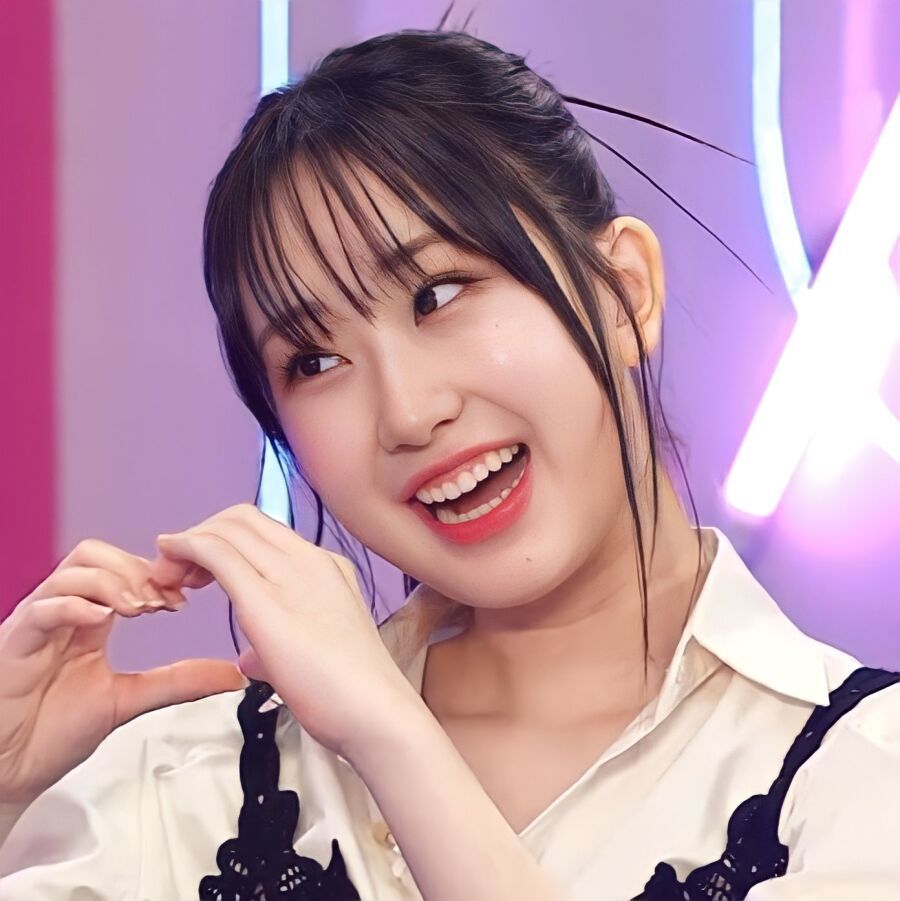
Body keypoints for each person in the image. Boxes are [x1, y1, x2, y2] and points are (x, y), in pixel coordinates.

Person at [1, 24, 899, 901]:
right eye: (314, 361)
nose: (407, 412)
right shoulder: (183, 788)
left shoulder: (863, 771)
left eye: (438, 294)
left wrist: (392, 739)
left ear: (625, 292)